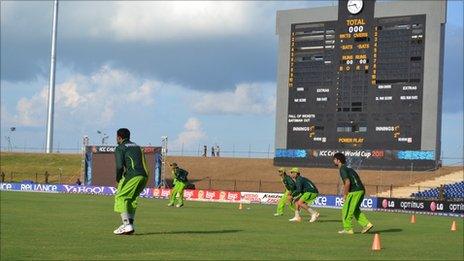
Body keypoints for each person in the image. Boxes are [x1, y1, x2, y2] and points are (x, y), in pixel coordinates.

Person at [113, 128, 148, 235]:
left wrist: (118, 179)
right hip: (144, 176)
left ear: (119, 137)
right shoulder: (138, 147)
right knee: (131, 199)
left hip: (132, 175)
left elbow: (119, 167)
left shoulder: (120, 148)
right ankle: (130, 224)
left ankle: (126, 225)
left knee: (120, 197)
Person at [333, 152, 373, 234]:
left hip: (355, 191)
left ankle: (348, 229)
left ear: (338, 160)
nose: (333, 161)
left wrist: (345, 195)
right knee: (355, 210)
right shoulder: (349, 169)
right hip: (361, 190)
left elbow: (347, 182)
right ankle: (366, 224)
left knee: (346, 210)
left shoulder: (342, 169)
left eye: (334, 159)